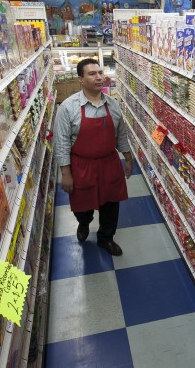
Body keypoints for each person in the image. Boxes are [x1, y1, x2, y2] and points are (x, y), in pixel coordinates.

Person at [54, 59, 133, 256]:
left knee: (111, 205)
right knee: (82, 206)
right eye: (92, 74)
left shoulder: (113, 105)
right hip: (82, 165)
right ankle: (83, 222)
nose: (99, 77)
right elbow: (62, 142)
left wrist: (128, 159)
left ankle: (106, 238)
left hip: (109, 163)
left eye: (100, 72)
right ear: (80, 79)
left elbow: (121, 134)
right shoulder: (68, 108)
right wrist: (66, 173)